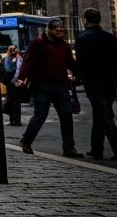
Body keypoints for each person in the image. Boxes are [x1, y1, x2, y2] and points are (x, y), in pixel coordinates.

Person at [15, 17, 84, 157]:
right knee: (40, 116)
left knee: (66, 116)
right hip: (41, 86)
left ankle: (69, 148)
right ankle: (26, 141)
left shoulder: (64, 45)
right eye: (56, 28)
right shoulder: (37, 43)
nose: (60, 30)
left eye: (61, 27)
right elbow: (28, 62)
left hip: (61, 86)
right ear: (49, 30)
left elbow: (71, 64)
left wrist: (82, 73)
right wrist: (21, 78)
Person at [73, 7, 117, 161]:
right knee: (100, 114)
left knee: (104, 115)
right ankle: (96, 149)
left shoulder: (83, 38)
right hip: (110, 82)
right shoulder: (111, 38)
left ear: (85, 20)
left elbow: (82, 62)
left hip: (93, 82)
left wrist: (77, 77)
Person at [0, 45, 23, 125]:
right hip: (17, 83)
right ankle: (17, 121)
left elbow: (1, 71)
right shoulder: (20, 60)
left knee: (11, 101)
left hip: (9, 84)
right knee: (16, 102)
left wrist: (5, 82)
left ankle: (12, 121)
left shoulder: (5, 60)